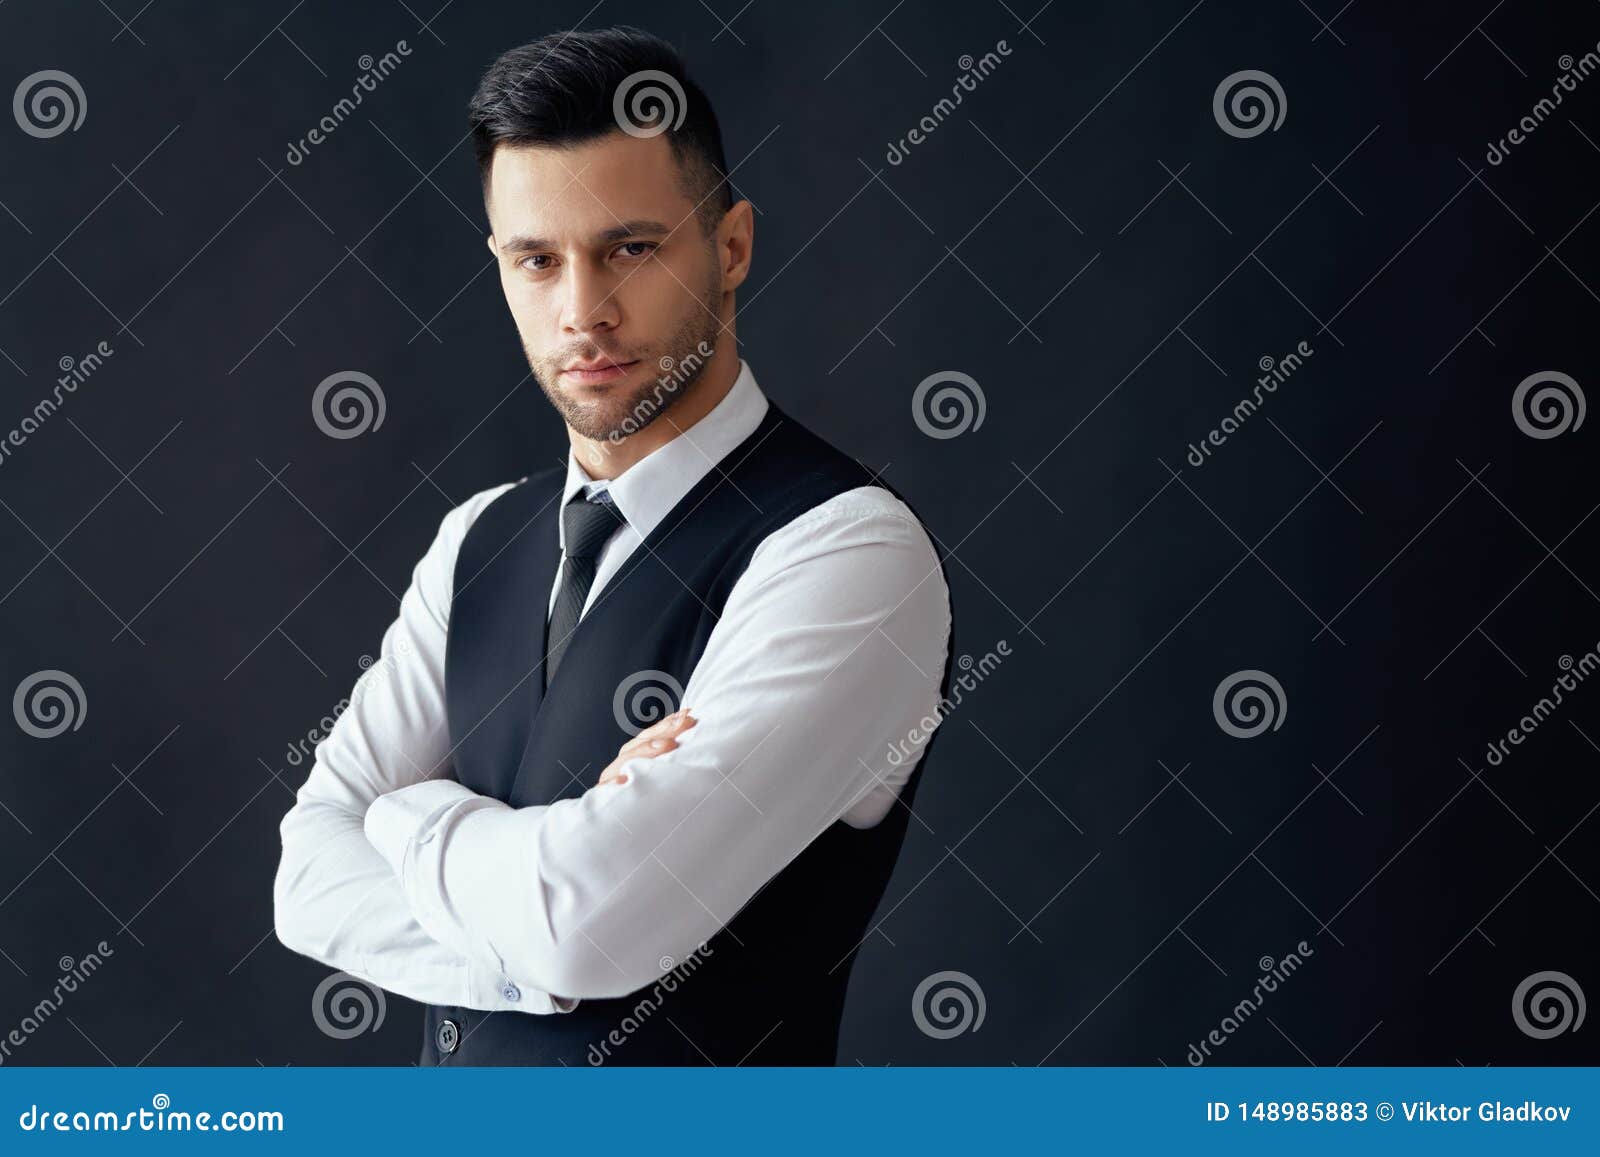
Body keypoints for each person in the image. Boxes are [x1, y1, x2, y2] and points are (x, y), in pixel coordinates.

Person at [273, 24, 954, 1065]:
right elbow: (308, 881)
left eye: (630, 248)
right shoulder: (478, 537)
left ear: (729, 247)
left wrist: (407, 815)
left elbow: (591, 921)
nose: (582, 311)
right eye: (537, 260)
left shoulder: (846, 551)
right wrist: (536, 903)